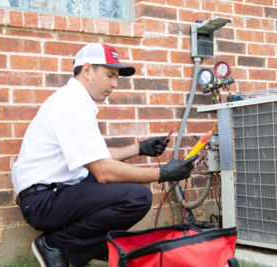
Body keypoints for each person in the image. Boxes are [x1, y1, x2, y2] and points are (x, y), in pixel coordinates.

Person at [11, 43, 198, 267]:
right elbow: (103, 171)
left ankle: (86, 247)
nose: (114, 84)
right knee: (136, 197)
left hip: (57, 192)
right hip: (43, 201)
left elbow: (96, 155)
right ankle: (56, 244)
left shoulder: (74, 100)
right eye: (110, 75)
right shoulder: (70, 105)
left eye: (116, 77)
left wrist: (140, 148)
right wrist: (163, 173)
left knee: (127, 188)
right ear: (88, 70)